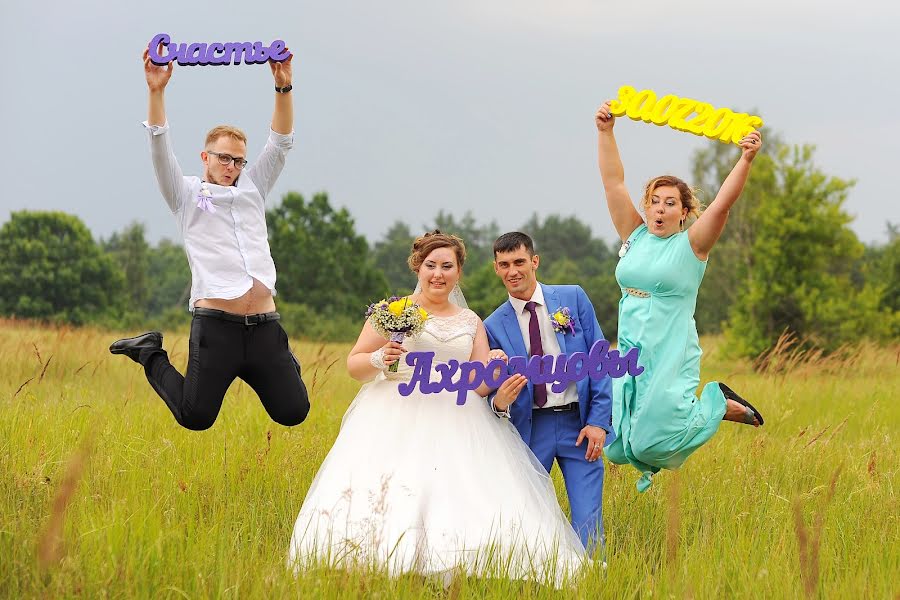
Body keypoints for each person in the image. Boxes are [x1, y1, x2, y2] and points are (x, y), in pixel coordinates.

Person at [288, 231, 585, 585]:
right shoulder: (393, 312)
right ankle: (385, 559)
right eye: (431, 266)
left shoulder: (471, 321)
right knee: (397, 486)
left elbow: (478, 386)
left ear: (459, 272)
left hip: (459, 415)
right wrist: (381, 358)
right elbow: (355, 365)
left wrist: (494, 364)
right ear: (418, 267)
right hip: (394, 411)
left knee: (457, 488)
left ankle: (453, 558)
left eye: (447, 266)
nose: (438, 274)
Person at [108, 44, 309, 431]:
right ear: (205, 157)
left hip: (266, 325)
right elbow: (159, 148)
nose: (231, 167)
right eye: (223, 158)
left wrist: (283, 86)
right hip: (217, 329)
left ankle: (281, 359)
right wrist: (156, 91)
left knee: (293, 412)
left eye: (238, 160)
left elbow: (281, 143)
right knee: (196, 416)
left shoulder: (254, 187)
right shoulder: (184, 195)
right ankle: (149, 352)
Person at [594, 100, 765, 492]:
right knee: (618, 445)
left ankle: (715, 403)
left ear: (684, 212)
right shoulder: (634, 236)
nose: (659, 209)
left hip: (669, 345)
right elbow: (613, 183)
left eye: (670, 203)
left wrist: (746, 159)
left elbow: (721, 206)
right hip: (630, 344)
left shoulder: (692, 246)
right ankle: (701, 410)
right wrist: (605, 132)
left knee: (654, 441)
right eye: (654, 201)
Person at [484, 232, 614, 554]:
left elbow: (599, 361)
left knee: (588, 519)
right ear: (496, 269)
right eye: (504, 264)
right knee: (525, 515)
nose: (513, 271)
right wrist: (499, 402)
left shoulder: (572, 299)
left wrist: (599, 421)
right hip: (530, 429)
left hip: (578, 426)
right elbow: (488, 389)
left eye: (519, 262)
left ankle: (592, 581)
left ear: (534, 261)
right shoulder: (491, 326)